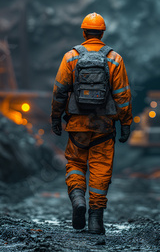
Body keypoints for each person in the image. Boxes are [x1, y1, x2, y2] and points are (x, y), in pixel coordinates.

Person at [51, 12, 132, 234]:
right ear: (102, 33)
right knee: (100, 169)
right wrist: (125, 124)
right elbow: (122, 96)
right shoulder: (115, 59)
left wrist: (55, 118)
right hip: (104, 126)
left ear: (84, 32)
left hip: (77, 125)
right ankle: (96, 219)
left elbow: (59, 91)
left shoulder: (70, 57)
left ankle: (78, 199)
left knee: (75, 164)